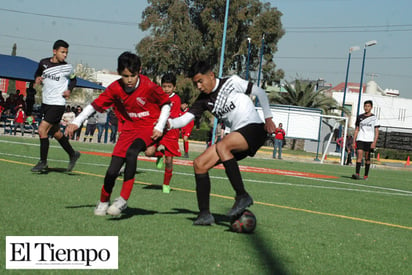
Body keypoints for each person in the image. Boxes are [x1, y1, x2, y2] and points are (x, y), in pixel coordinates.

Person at [167, 60, 276, 225]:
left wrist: (268, 118)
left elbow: (260, 92)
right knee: (199, 164)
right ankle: (204, 214)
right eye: (195, 83)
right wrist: (169, 124)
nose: (198, 86)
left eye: (200, 81)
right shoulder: (203, 101)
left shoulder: (232, 81)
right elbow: (184, 119)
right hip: (236, 136)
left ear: (211, 75)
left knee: (222, 144)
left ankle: (242, 195)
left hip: (253, 129)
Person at [65, 51, 171, 216]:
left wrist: (160, 125)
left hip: (148, 127)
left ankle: (122, 200)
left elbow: (166, 103)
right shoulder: (115, 88)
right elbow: (94, 105)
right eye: (125, 76)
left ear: (140, 71)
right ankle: (103, 201)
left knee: (132, 152)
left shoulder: (148, 86)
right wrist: (76, 122)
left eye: (132, 76)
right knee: (112, 171)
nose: (129, 80)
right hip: (129, 128)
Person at [31, 39, 80, 173]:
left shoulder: (67, 68)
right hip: (46, 103)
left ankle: (43, 162)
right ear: (54, 51)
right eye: (62, 52)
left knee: (42, 130)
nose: (65, 55)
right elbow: (37, 73)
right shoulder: (43, 63)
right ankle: (72, 153)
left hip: (58, 104)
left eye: (66, 53)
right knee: (55, 132)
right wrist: (37, 78)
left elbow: (74, 79)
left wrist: (69, 89)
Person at [145, 73, 181, 194]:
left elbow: (175, 116)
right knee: (148, 152)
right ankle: (159, 154)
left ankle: (166, 184)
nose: (166, 89)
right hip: (158, 130)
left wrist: (165, 121)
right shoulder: (158, 96)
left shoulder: (176, 99)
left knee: (169, 161)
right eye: (164, 86)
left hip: (170, 133)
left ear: (174, 87)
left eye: (169, 86)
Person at [352, 100, 380, 180]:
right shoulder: (360, 117)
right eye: (365, 106)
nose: (366, 108)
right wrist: (354, 141)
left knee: (367, 158)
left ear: (371, 107)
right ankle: (357, 173)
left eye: (368, 106)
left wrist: (374, 142)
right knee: (359, 155)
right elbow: (357, 129)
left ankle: (366, 175)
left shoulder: (374, 118)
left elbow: (377, 131)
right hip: (360, 138)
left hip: (369, 140)